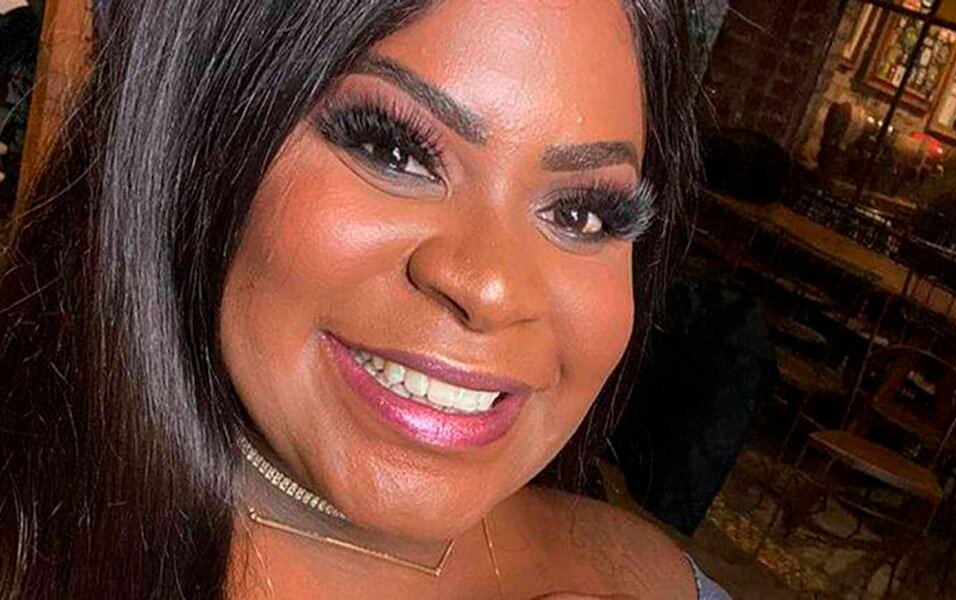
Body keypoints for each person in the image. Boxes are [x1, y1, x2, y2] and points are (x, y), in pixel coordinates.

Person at [0, 1, 727, 598]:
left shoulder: (656, 579)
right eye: (394, 151)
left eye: (581, 213)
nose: (492, 287)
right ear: (193, 134)